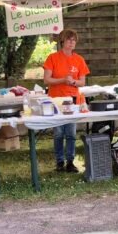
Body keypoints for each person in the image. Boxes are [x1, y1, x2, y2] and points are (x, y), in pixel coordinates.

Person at [42, 28, 90, 172]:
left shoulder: (79, 59)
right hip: (56, 100)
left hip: (73, 101)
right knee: (58, 133)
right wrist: (63, 80)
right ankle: (59, 161)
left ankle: (70, 161)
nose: (72, 42)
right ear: (62, 41)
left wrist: (73, 82)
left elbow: (82, 82)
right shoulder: (52, 58)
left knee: (71, 133)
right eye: (69, 40)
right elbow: (46, 80)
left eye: (74, 40)